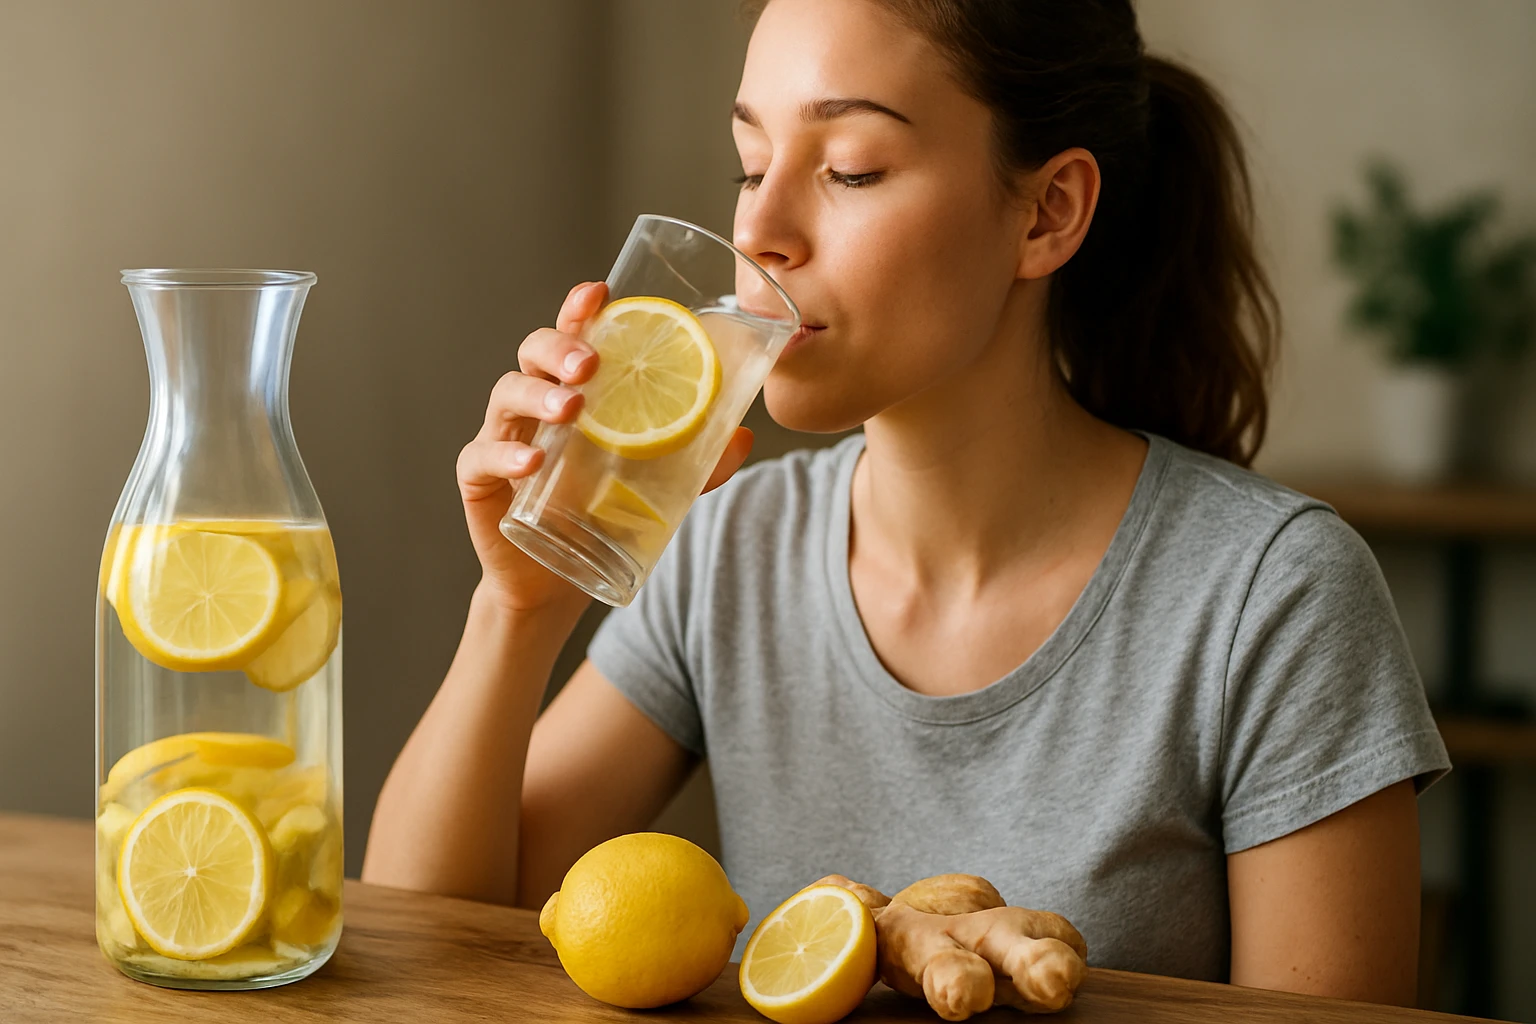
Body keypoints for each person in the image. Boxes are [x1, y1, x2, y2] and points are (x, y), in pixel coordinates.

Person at [363, 0, 1449, 1005]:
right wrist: (517, 611)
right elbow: (428, 938)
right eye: (749, 164)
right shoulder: (735, 547)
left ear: (1047, 212)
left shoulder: (1275, 598)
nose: (761, 232)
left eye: (850, 169)